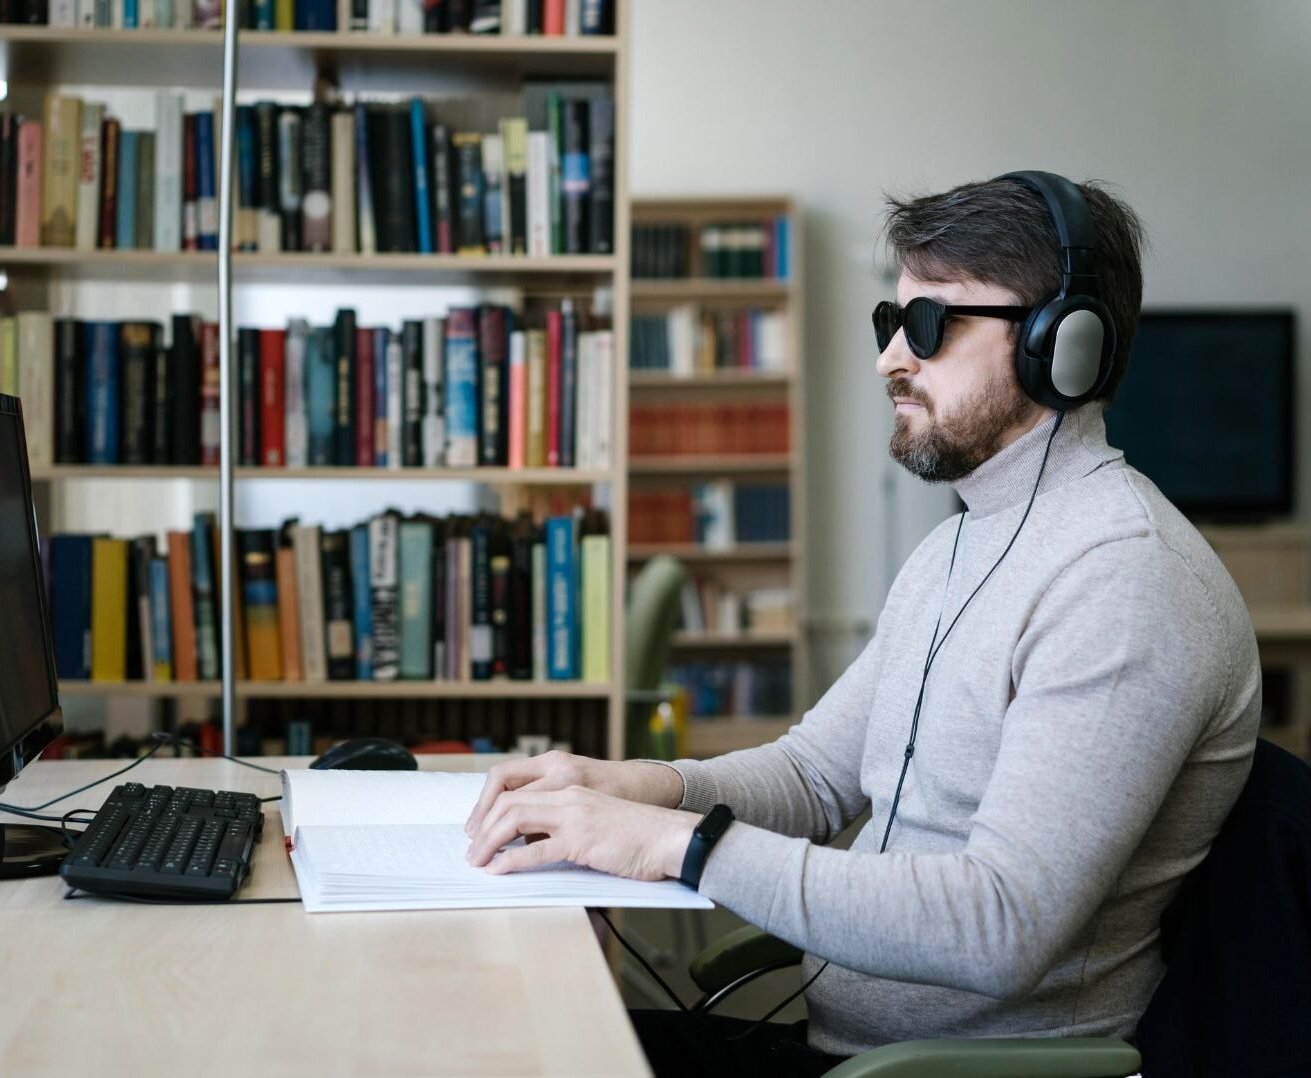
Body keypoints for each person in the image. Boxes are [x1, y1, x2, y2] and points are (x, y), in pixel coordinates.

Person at [462, 171, 1262, 1076]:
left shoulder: (1126, 581)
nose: (890, 359)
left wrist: (676, 847)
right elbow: (813, 777)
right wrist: (634, 787)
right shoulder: (961, 546)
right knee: (512, 1040)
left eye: (930, 327)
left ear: (1060, 346)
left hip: (949, 1075)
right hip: (854, 1054)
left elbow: (1000, 924)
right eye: (893, 322)